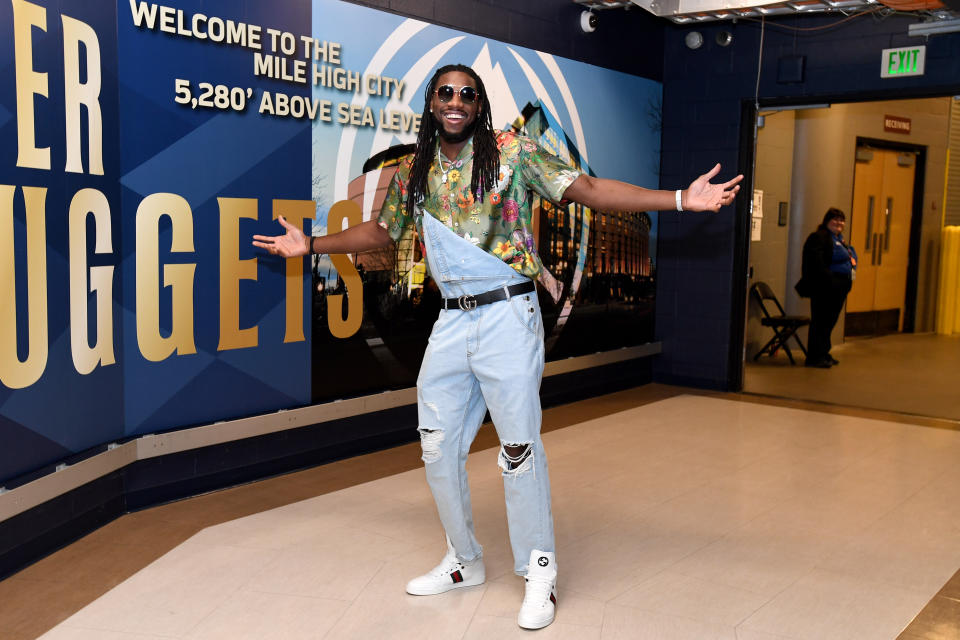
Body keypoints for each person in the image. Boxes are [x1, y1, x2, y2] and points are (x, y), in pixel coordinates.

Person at [253, 63, 742, 630]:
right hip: (452, 321)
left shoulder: (515, 150)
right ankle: (464, 561)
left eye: (467, 94)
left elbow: (591, 190)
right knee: (436, 448)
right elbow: (381, 234)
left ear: (478, 105)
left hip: (508, 314)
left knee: (518, 450)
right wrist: (309, 243)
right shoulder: (416, 170)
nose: (456, 101)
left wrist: (682, 198)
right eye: (446, 92)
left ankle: (539, 571)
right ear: (432, 103)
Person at [799, 207, 857, 368]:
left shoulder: (840, 239)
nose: (838, 223)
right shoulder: (819, 238)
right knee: (820, 322)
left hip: (839, 288)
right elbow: (816, 263)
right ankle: (815, 356)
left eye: (841, 220)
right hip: (825, 288)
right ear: (827, 221)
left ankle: (823, 352)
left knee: (829, 322)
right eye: (835, 219)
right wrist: (831, 281)